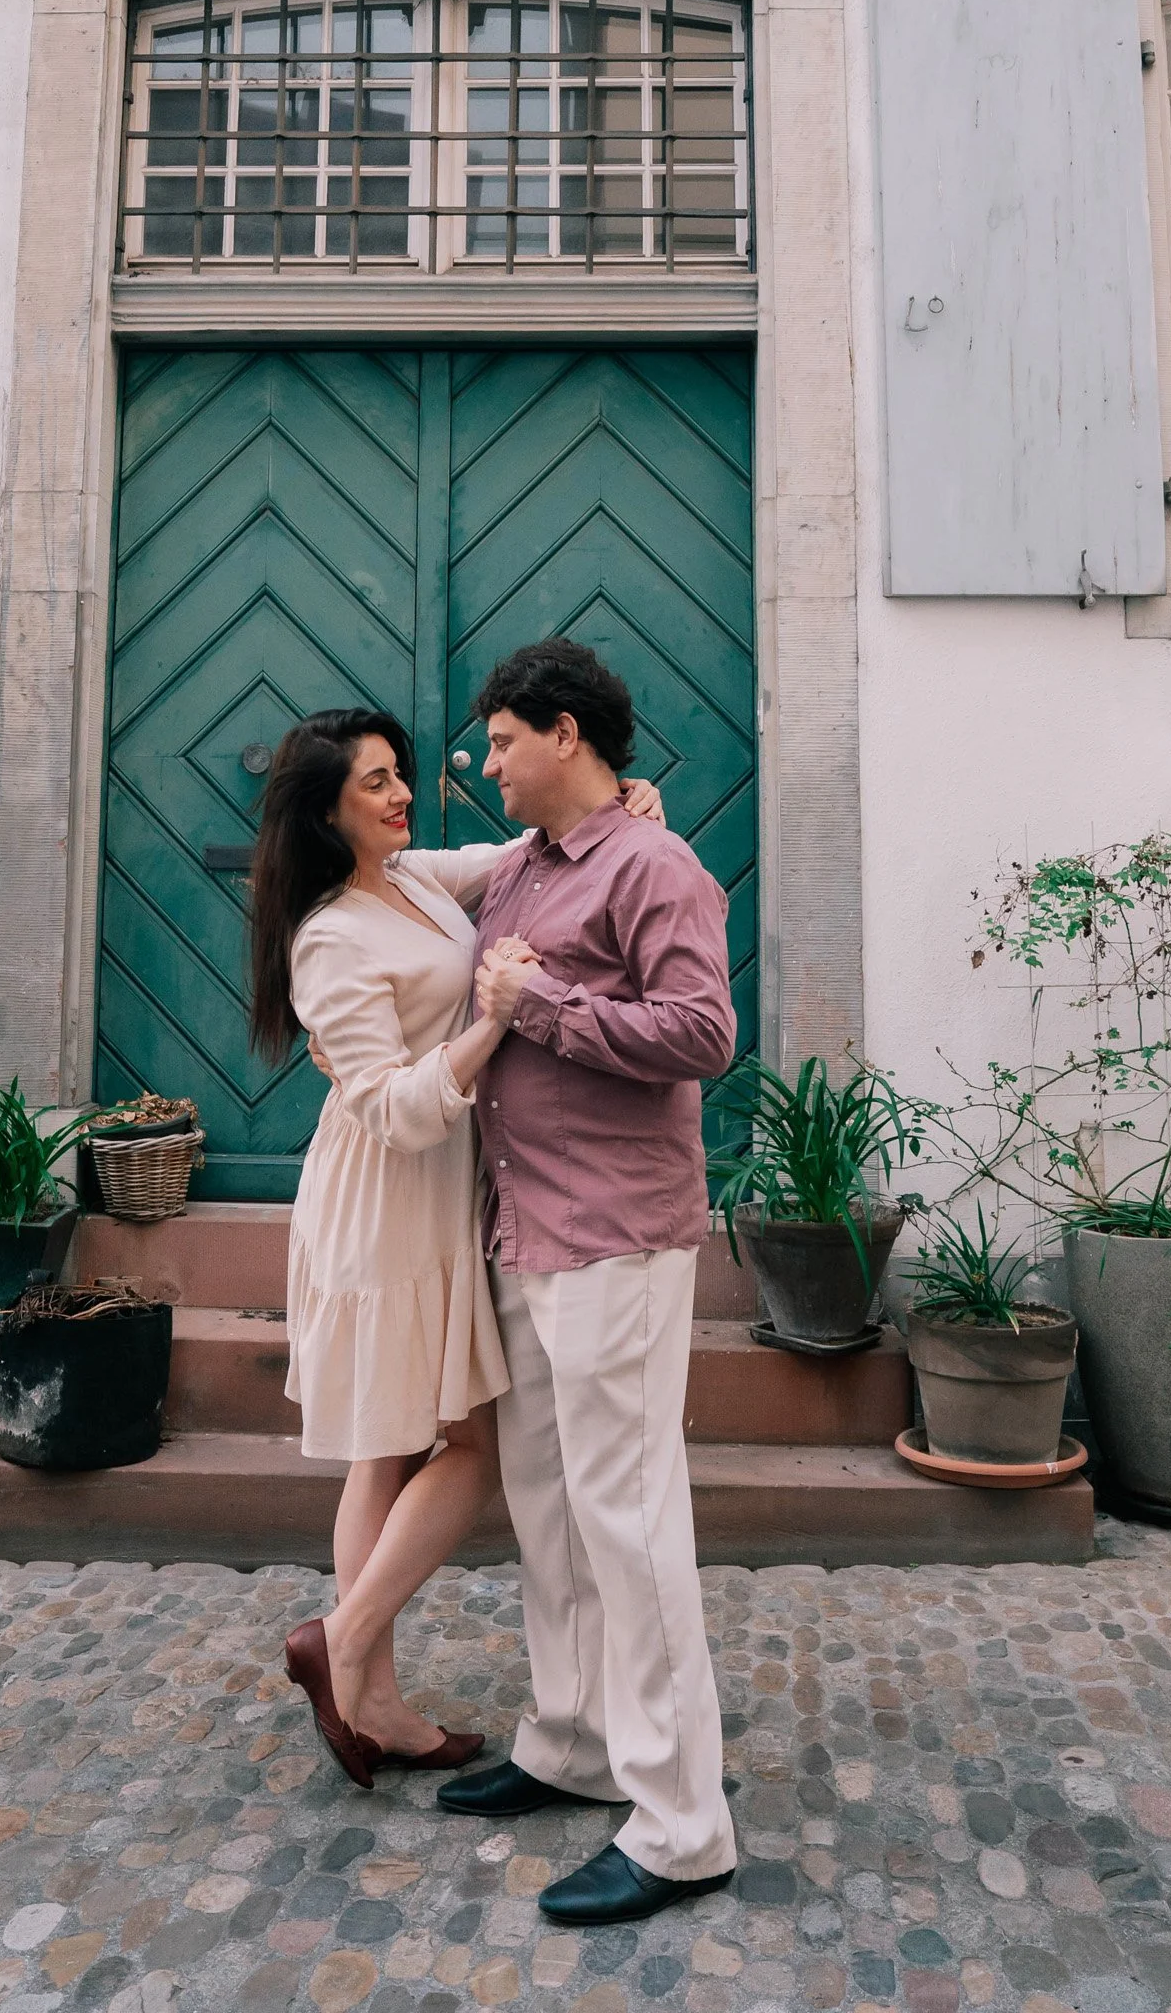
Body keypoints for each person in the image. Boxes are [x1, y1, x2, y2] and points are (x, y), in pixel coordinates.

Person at [248, 704, 664, 1788]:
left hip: (440, 1199)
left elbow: (521, 850)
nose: (399, 796)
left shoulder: (418, 877)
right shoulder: (331, 932)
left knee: (388, 1449)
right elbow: (391, 1111)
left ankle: (367, 1692)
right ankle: (341, 1651)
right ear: (325, 814)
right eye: (373, 785)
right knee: (462, 1445)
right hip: (386, 1206)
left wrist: (620, 803)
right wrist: (494, 1021)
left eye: (398, 776)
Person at [433, 636, 740, 1931]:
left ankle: (681, 1829)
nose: (486, 763)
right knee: (546, 1501)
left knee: (629, 1517)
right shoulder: (519, 868)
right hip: (526, 1226)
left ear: (565, 735)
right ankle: (572, 1740)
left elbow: (704, 1033)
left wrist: (544, 1005)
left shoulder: (654, 865)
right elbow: (388, 877)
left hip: (618, 1235)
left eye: (501, 741)